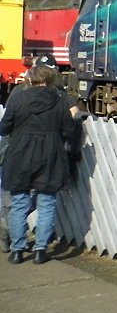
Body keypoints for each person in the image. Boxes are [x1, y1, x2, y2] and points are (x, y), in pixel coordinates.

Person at [1, 62, 74, 264]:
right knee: (47, 204)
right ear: (50, 80)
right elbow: (69, 130)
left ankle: (17, 250)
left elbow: (4, 127)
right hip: (50, 154)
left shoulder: (17, 99)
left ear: (30, 79)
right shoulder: (60, 101)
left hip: (21, 154)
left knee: (19, 204)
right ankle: (41, 250)